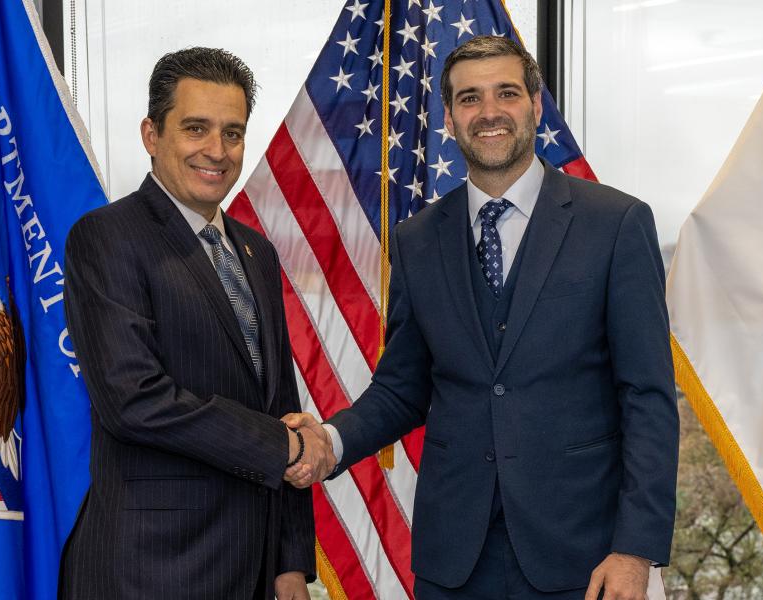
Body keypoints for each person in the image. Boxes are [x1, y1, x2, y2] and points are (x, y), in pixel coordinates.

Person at [284, 36, 679, 600]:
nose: (489, 112)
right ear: (449, 117)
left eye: (507, 93)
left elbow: (648, 399)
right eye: (470, 98)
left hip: (584, 558)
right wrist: (329, 440)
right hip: (453, 562)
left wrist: (635, 550)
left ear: (536, 106)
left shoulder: (616, 225)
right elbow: (402, 388)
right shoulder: (418, 240)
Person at [59, 47, 330, 600]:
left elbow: (283, 406)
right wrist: (284, 446)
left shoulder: (255, 251)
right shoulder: (106, 237)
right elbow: (134, 400)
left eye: (233, 133)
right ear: (151, 135)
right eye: (195, 128)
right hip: (149, 571)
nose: (217, 151)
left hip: (252, 573)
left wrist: (291, 561)